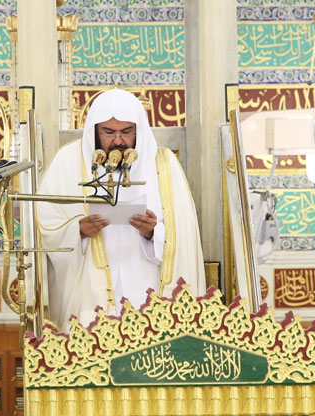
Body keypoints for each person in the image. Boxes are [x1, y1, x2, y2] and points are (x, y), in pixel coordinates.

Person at [36, 89, 205, 329]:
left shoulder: (165, 165)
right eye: (108, 132)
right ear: (95, 131)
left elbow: (186, 236)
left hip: (151, 295)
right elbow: (45, 224)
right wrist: (78, 231)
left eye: (126, 132)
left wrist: (153, 233)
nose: (118, 141)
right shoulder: (68, 161)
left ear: (139, 130)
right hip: (89, 300)